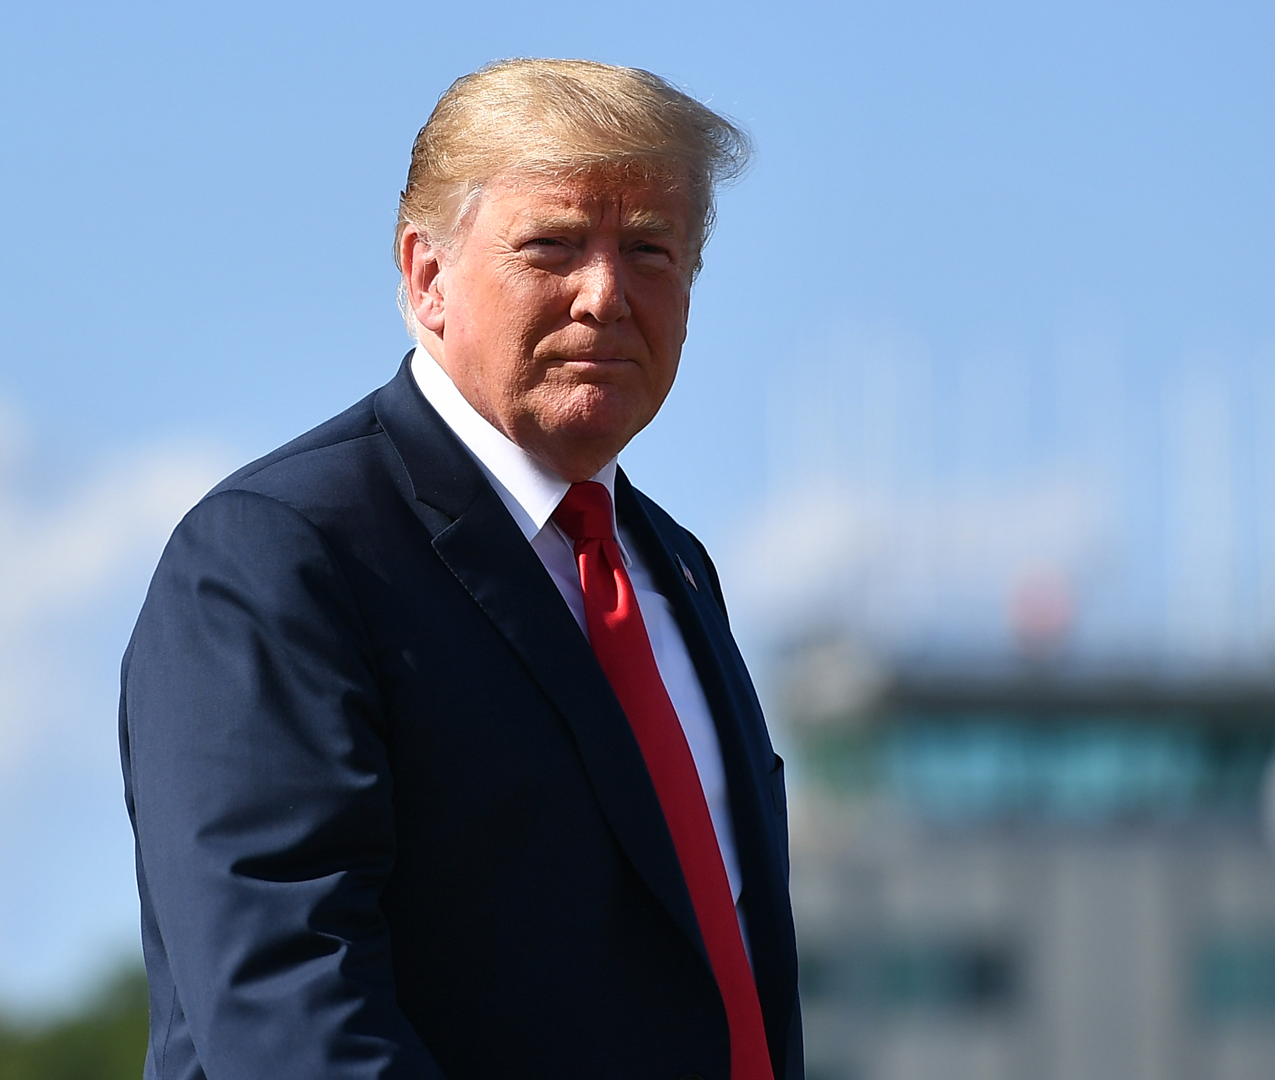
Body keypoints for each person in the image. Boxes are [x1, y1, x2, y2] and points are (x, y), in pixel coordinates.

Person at [119, 59, 798, 1080]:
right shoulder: (277, 558)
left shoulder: (676, 574)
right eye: (553, 246)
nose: (606, 293)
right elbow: (290, 1016)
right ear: (426, 276)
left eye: (651, 250)